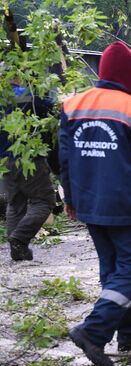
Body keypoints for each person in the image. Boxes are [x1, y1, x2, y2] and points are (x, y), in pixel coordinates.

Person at [59, 41, 131, 366]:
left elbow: (65, 160)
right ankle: (93, 332)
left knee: (112, 269)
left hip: (89, 203)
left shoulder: (72, 105)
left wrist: (70, 198)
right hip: (127, 206)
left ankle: (130, 331)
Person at [1, 77, 56, 261]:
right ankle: (20, 238)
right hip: (28, 157)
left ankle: (17, 250)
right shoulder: (27, 95)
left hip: (4, 160)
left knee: (15, 203)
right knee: (45, 200)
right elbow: (53, 109)